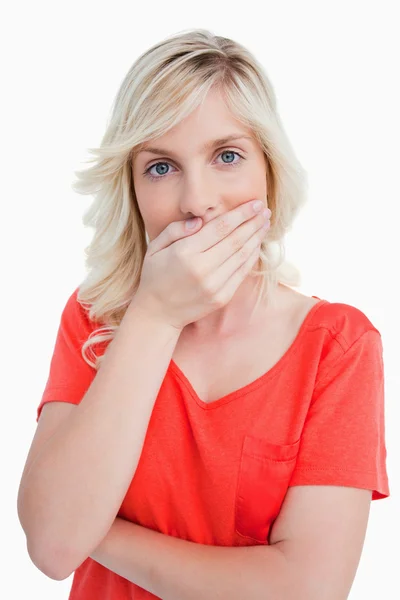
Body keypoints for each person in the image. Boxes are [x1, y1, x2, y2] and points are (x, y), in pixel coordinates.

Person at [17, 28, 389, 599]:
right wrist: (154, 318)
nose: (197, 201)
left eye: (228, 156)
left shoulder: (336, 345)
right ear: (132, 188)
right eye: (160, 167)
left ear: (270, 170)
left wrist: (95, 529)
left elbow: (308, 590)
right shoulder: (95, 320)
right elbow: (51, 549)